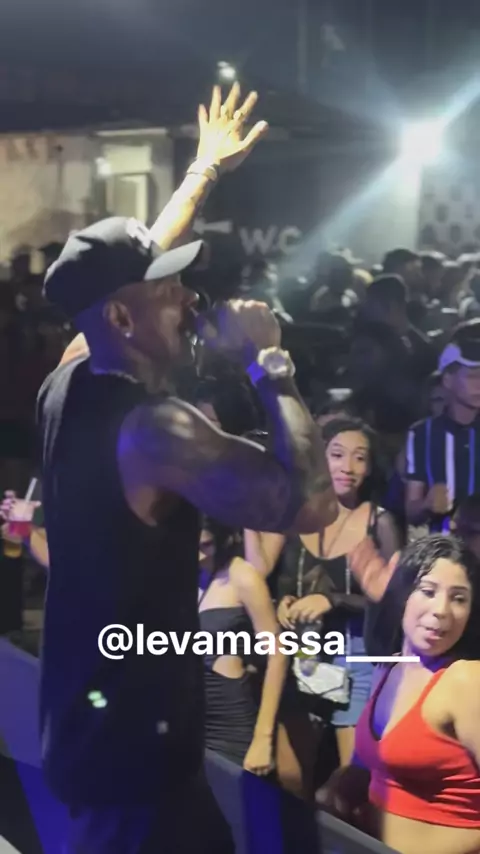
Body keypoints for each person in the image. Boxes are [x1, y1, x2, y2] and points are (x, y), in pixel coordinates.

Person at [35, 83, 337, 854]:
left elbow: (122, 275)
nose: (191, 300)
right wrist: (271, 366)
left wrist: (202, 171)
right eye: (170, 290)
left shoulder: (71, 372)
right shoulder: (158, 431)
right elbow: (311, 506)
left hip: (94, 737)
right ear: (122, 318)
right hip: (131, 766)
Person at [246, 418, 400, 767]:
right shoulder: (298, 515)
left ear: (369, 467)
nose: (348, 467)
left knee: (351, 775)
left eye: (360, 457)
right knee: (291, 775)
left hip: (355, 654)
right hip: (303, 650)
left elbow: (395, 602)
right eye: (337, 454)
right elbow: (281, 577)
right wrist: (284, 602)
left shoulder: (380, 522)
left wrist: (333, 600)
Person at [322, 535, 480, 854]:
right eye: (428, 591)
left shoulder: (465, 680)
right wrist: (334, 791)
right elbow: (368, 766)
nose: (441, 610)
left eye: (459, 598)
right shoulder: (391, 666)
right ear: (402, 594)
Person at [405, 320, 480, 533]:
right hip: (444, 548)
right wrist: (426, 504)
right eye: (473, 376)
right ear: (448, 380)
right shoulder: (421, 434)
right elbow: (411, 511)